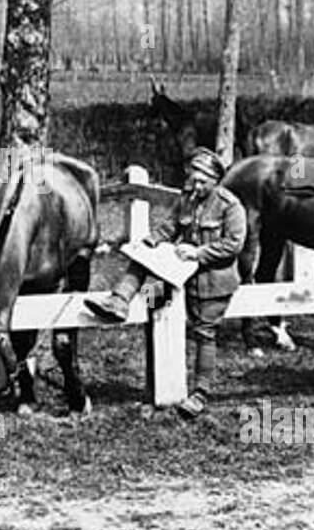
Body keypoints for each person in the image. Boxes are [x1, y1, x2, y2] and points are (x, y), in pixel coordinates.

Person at [85, 146, 246, 420]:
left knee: (204, 333)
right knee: (146, 275)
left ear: (215, 180)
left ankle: (200, 394)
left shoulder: (230, 206)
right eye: (193, 179)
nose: (195, 185)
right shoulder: (187, 198)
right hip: (179, 274)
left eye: (202, 181)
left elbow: (234, 244)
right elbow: (171, 225)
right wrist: (154, 240)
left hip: (212, 281)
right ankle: (119, 300)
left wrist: (199, 253)